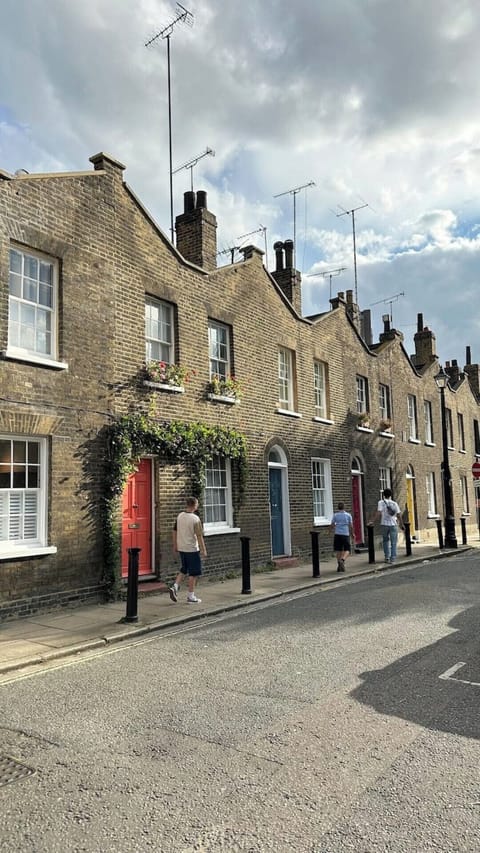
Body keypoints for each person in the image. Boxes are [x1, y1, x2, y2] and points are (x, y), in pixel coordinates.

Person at [169, 496, 207, 604]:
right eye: (197, 504)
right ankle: (191, 596)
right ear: (195, 505)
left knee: (184, 569)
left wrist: (175, 545)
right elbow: (199, 536)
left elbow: (174, 531)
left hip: (181, 547)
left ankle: (175, 586)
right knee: (193, 573)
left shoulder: (180, 516)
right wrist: (203, 550)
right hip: (192, 549)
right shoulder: (195, 519)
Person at [369, 488, 405, 563]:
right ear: (390, 495)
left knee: (385, 541)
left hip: (384, 524)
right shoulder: (394, 503)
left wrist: (372, 521)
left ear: (383, 495)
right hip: (393, 524)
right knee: (393, 542)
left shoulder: (381, 502)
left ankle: (387, 557)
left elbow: (378, 512)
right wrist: (401, 524)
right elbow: (398, 515)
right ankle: (393, 558)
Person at [330, 502, 354, 572]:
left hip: (337, 534)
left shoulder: (335, 515)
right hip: (345, 534)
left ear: (338, 507)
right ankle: (342, 560)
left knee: (338, 550)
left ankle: (339, 566)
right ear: (344, 507)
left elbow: (332, 524)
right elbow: (351, 526)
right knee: (347, 549)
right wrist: (352, 533)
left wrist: (329, 531)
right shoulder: (348, 515)